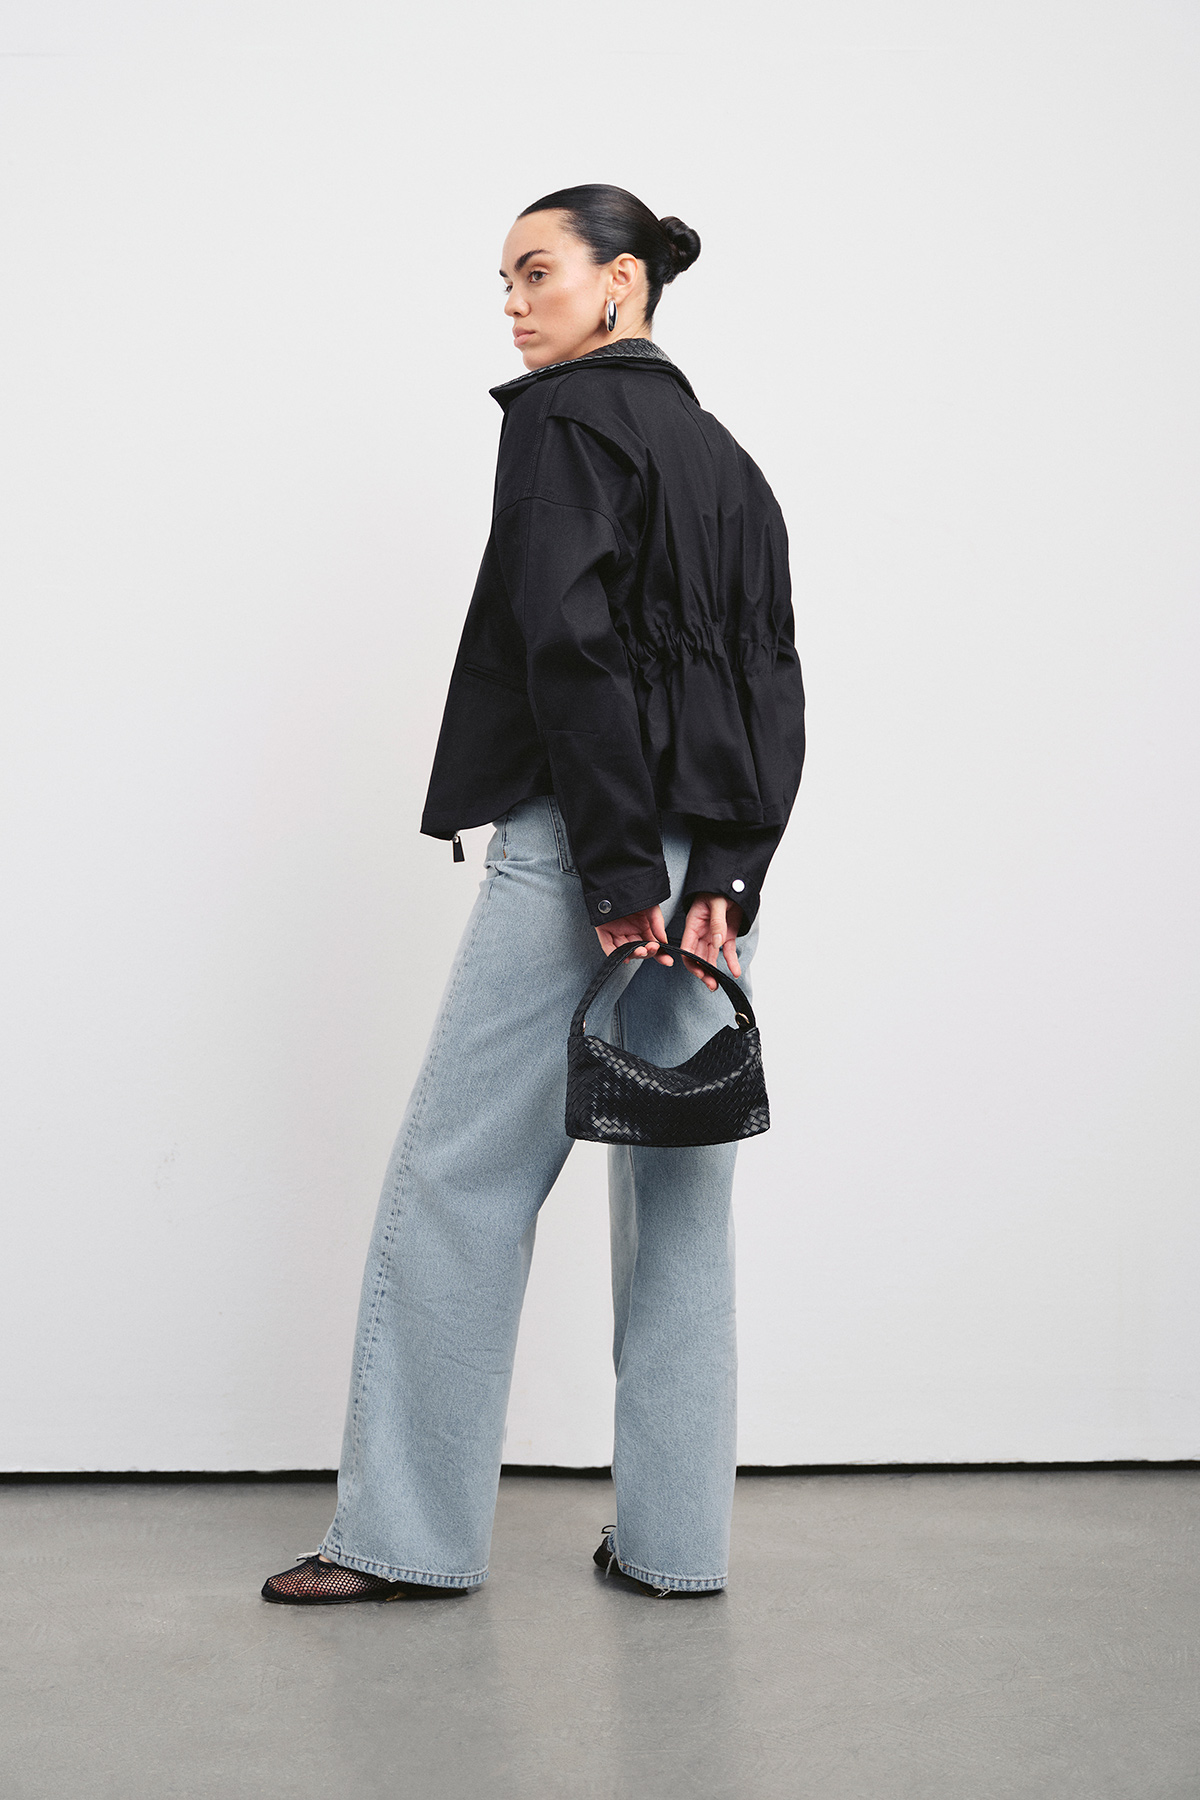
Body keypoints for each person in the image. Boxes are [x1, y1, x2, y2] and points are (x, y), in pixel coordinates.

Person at [262, 184, 805, 1606]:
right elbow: (773, 679)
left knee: (462, 1176)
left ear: (621, 282)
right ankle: (676, 1551)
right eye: (504, 279)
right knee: (680, 1199)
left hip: (592, 853)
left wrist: (618, 870)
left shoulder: (563, 421)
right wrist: (726, 872)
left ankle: (404, 1539)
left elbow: (571, 649)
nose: (511, 303)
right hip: (706, 879)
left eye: (537, 272)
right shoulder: (729, 461)